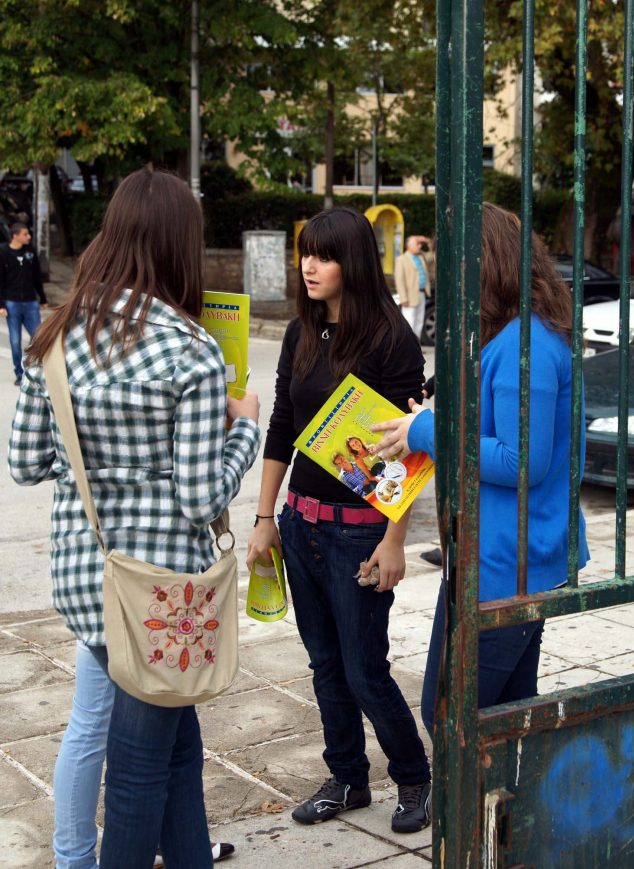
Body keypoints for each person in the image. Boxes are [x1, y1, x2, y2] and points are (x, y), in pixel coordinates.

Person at [8, 168, 259, 868]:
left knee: (178, 749)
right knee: (141, 771)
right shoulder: (190, 348)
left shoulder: (57, 334)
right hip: (163, 597)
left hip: (88, 582)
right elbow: (199, 497)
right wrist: (248, 430)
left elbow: (24, 462)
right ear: (182, 244)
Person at [370, 202, 590, 734]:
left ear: (485, 264)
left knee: (448, 713)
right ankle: (504, 815)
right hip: (502, 557)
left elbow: (522, 462)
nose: (447, 276)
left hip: (509, 566)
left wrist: (427, 431)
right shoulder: (514, 336)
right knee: (506, 715)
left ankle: (472, 816)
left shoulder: (525, 345)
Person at [246, 207, 432, 834]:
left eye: (322, 255)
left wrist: (394, 540)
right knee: (323, 663)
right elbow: (280, 428)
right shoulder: (301, 334)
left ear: (351, 262)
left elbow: (412, 452)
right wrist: (265, 517)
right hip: (300, 523)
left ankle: (413, 778)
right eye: (305, 253)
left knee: (363, 668)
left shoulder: (391, 339)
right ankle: (348, 777)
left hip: (360, 530)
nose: (308, 265)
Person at [1, 221, 49, 385]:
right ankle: (20, 374)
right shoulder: (3, 252)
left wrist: (42, 298)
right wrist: (1, 304)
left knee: (38, 337)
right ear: (15, 236)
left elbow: (37, 277)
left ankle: (37, 370)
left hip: (30, 302)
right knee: (15, 340)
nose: (28, 237)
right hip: (12, 302)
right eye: (25, 234)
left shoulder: (30, 251)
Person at [394, 235, 431, 340]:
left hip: (422, 293)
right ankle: (408, 345)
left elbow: (432, 255)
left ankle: (417, 345)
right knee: (409, 321)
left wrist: (426, 241)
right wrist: (403, 298)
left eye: (420, 244)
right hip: (409, 296)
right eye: (417, 244)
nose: (419, 246)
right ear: (409, 246)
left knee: (419, 321)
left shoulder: (421, 256)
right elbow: (399, 280)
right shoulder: (402, 259)